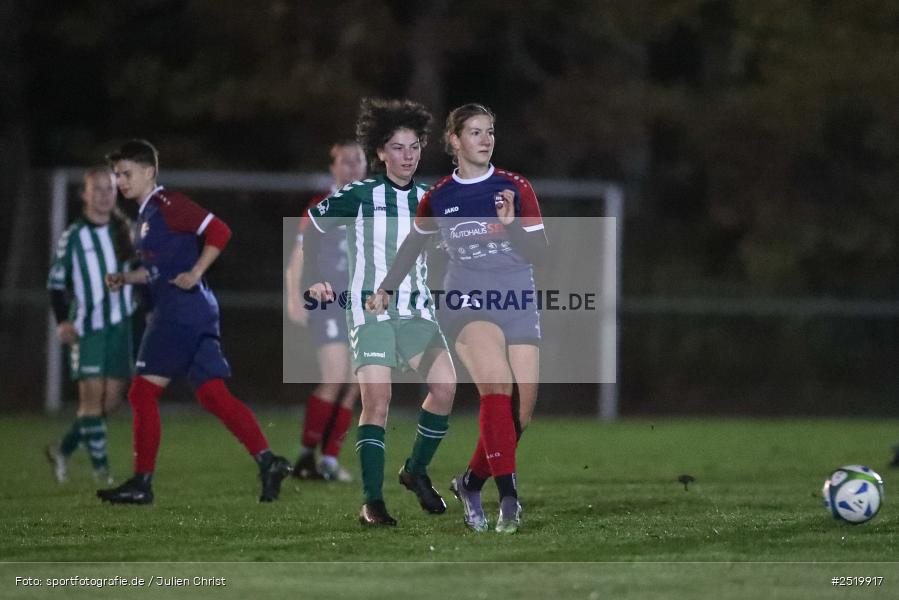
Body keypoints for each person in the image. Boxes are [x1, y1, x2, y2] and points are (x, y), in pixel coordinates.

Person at [370, 103, 548, 533]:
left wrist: (511, 226)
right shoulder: (440, 197)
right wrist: (387, 288)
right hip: (467, 300)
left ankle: (469, 483)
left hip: (517, 299)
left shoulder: (515, 187)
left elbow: (541, 254)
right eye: (475, 132)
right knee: (496, 386)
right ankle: (508, 500)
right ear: (454, 140)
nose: (486, 140)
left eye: (490, 132)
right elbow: (414, 245)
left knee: (520, 415)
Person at [96, 139, 291, 505]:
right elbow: (159, 270)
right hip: (196, 310)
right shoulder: (146, 215)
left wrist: (197, 270)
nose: (120, 181)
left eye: (127, 173)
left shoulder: (170, 204)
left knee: (141, 393)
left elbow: (220, 230)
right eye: (117, 174)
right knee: (212, 394)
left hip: (180, 312)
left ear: (150, 172)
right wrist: (127, 278)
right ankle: (268, 461)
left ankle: (142, 483)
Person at [303, 98, 457, 526]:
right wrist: (312, 276)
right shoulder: (361, 195)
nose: (407, 156)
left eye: (413, 147)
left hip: (416, 312)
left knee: (445, 389)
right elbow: (313, 228)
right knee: (378, 400)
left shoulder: (431, 199)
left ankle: (415, 471)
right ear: (381, 153)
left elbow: (449, 247)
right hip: (370, 311)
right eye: (398, 147)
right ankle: (372, 502)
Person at [45, 167, 136, 484]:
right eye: (96, 189)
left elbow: (138, 273)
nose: (103, 195)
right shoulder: (73, 237)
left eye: (109, 189)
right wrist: (63, 321)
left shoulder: (124, 231)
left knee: (109, 404)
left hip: (121, 325)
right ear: (84, 195)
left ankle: (63, 449)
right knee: (90, 401)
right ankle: (102, 473)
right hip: (89, 329)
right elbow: (56, 284)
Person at [285, 141, 365, 481]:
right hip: (329, 299)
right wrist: (293, 297)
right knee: (334, 377)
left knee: (355, 385)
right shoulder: (322, 204)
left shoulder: (373, 202)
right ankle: (305, 455)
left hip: (362, 303)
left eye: (356, 161)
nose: (351, 168)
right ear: (333, 168)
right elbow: (299, 255)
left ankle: (329, 460)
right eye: (343, 162)